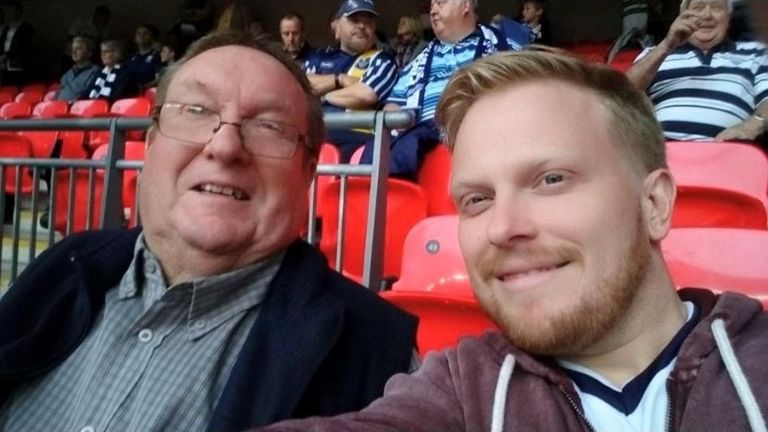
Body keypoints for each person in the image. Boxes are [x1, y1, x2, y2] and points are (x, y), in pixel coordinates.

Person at [253, 49, 768, 432]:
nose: (502, 228)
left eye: (551, 180)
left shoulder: (755, 367)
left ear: (654, 204)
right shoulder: (460, 391)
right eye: (476, 199)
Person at [0, 31, 417, 432]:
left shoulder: (379, 359)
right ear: (149, 145)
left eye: (269, 125)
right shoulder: (61, 269)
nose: (225, 146)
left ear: (308, 172)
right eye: (197, 111)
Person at [360, 0, 509, 180]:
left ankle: (383, 191)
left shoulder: (499, 46)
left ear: (466, 6)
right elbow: (392, 105)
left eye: (440, 3)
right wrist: (397, 117)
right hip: (419, 138)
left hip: (475, 134)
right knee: (376, 147)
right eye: (432, 6)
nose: (433, 11)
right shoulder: (419, 59)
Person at [626, 0, 768, 142]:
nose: (707, 15)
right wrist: (668, 45)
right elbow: (619, 94)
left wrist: (753, 124)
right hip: (662, 152)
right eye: (698, 7)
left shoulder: (756, 52)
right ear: (683, 15)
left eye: (717, 7)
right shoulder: (654, 53)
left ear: (728, 18)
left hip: (727, 152)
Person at [305, 0, 398, 162]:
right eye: (355, 20)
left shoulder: (382, 60)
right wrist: (338, 80)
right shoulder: (319, 58)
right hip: (312, 138)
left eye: (368, 22)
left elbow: (365, 94)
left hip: (357, 143)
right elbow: (301, 87)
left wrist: (322, 96)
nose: (362, 26)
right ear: (337, 27)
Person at [55, 36, 99, 102]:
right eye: (72, 49)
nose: (74, 52)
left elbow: (89, 94)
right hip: (59, 106)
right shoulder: (69, 72)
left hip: (78, 108)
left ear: (89, 53)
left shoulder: (96, 71)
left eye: (78, 49)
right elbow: (59, 92)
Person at [0, 1, 34, 86]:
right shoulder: (6, 28)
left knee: (16, 86)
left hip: (18, 65)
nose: (10, 14)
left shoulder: (26, 28)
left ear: (19, 12)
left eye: (12, 11)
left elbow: (21, 46)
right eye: (9, 11)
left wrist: (6, 55)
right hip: (5, 65)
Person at [127, 24, 162, 89]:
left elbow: (159, 79)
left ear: (152, 38)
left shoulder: (156, 56)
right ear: (135, 38)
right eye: (139, 33)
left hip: (147, 92)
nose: (141, 36)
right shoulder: (131, 56)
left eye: (146, 34)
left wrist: (143, 87)